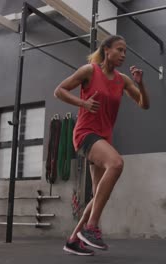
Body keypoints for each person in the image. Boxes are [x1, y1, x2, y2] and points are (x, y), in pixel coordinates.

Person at [54, 35, 150, 256]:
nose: (123, 54)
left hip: (103, 140)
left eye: (125, 51)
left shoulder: (123, 79)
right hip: (85, 134)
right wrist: (82, 103)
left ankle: (73, 241)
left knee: (97, 193)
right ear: (106, 50)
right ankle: (91, 228)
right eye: (119, 50)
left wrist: (140, 84)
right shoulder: (89, 71)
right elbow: (59, 90)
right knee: (116, 163)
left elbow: (144, 104)